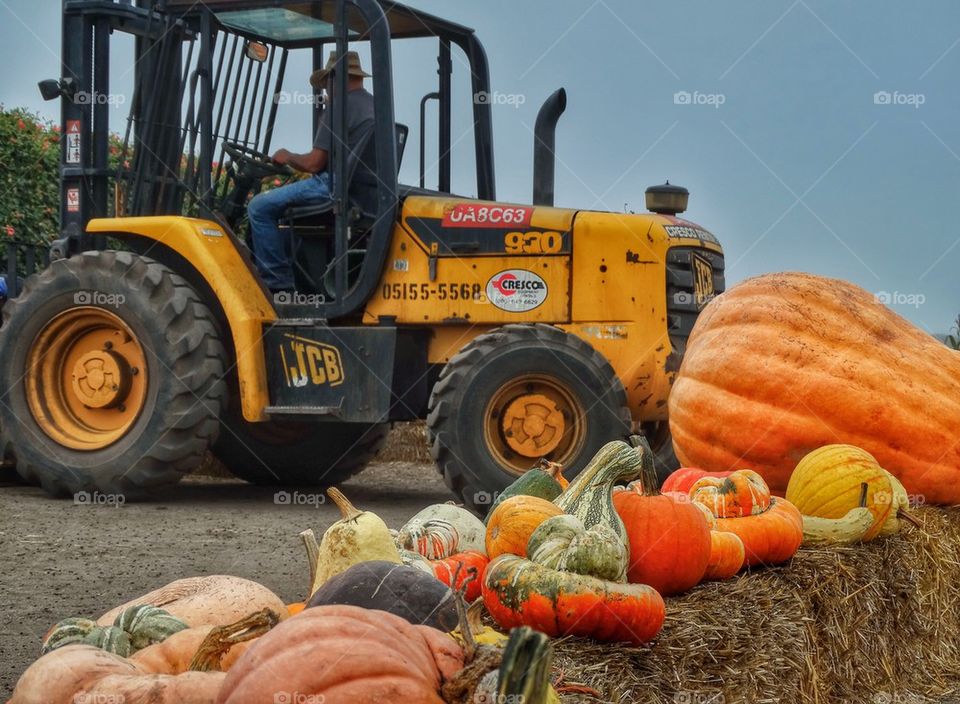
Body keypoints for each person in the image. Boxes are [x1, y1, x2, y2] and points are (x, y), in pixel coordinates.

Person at [247, 50, 375, 293]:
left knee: (259, 208)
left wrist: (287, 156)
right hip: (361, 191)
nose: (326, 90)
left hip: (332, 187)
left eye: (327, 82)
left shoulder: (340, 107)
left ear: (335, 78)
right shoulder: (373, 105)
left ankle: (277, 285)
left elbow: (314, 163)